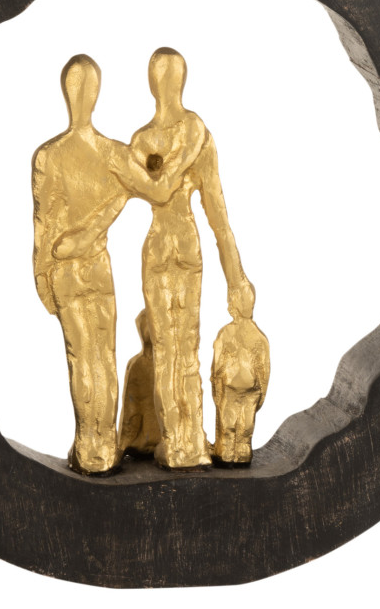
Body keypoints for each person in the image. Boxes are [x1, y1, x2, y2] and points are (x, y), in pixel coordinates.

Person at [31, 53, 202, 474]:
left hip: (70, 268)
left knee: (84, 357)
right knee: (100, 357)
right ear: (94, 94)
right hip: (95, 267)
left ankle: (93, 448)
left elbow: (43, 228)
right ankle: (101, 449)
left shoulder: (49, 156)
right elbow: (158, 192)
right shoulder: (110, 153)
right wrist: (127, 192)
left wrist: (42, 276)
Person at [130, 47, 255, 468]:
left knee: (172, 348)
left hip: (163, 245)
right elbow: (217, 216)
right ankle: (186, 442)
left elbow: (216, 212)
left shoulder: (143, 141)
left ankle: (181, 443)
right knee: (182, 348)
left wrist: (237, 276)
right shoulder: (192, 132)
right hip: (183, 243)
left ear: (153, 84)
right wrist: (236, 275)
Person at [210, 295, 270, 464]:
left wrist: (216, 388)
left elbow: (218, 365)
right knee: (242, 424)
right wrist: (261, 394)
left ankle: (229, 454)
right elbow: (264, 371)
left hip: (234, 387)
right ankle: (237, 454)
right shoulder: (257, 336)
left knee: (233, 424)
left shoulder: (227, 333)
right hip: (246, 388)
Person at [117, 308, 161, 458]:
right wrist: (123, 444)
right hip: (142, 442)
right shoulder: (138, 364)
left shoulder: (168, 364)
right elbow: (131, 409)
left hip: (161, 442)